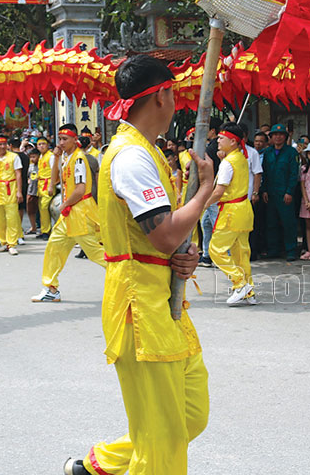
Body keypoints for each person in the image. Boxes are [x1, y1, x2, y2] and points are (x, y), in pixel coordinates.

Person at [64, 54, 213, 475]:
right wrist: (205, 192)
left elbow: (164, 240)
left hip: (161, 300)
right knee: (163, 441)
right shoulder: (131, 157)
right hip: (140, 307)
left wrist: (183, 256)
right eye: (174, 93)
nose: (179, 103)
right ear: (162, 95)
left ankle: (101, 464)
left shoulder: (145, 151)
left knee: (188, 415)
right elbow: (163, 233)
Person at [31, 124, 106, 302]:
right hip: (70, 213)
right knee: (54, 246)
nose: (61, 142)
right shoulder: (66, 157)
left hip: (80, 212)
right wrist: (56, 158)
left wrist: (64, 203)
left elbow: (80, 190)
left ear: (75, 140)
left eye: (65, 139)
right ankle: (51, 288)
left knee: (96, 253)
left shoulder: (80, 159)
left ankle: (128, 280)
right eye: (60, 139)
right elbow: (55, 179)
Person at [204, 122, 257, 306]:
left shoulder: (228, 163)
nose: (218, 140)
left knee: (215, 249)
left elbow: (218, 191)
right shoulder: (240, 158)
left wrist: (203, 204)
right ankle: (248, 289)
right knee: (241, 253)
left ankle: (239, 283)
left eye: (221, 138)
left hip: (231, 212)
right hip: (243, 209)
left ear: (233, 141)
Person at [260, 123, 300, 260]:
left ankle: (291, 250)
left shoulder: (291, 153)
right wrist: (264, 190)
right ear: (270, 137)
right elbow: (264, 172)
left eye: (281, 134)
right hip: (271, 193)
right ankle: (273, 249)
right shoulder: (267, 152)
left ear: (285, 137)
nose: (278, 137)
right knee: (271, 222)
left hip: (285, 193)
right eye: (275, 135)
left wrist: (289, 192)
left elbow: (294, 174)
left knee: (288, 222)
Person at [0, 135, 23, 255]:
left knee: (11, 217)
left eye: (4, 144)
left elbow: (18, 174)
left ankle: (12, 244)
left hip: (9, 188)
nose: (2, 147)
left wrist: (19, 191)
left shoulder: (14, 157)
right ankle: (3, 242)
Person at [197, 117, 223, 266]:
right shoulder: (214, 147)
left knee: (215, 223)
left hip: (213, 189)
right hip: (210, 189)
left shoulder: (212, 148)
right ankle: (207, 255)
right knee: (206, 222)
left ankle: (224, 256)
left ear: (212, 131)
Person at [35, 137, 59, 240]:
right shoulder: (41, 156)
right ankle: (44, 229)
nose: (41, 146)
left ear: (47, 145)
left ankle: (46, 231)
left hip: (48, 183)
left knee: (45, 207)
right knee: (41, 208)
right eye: (39, 144)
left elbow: (55, 171)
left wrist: (51, 185)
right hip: (41, 185)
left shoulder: (51, 156)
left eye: (43, 144)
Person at [26, 149, 41, 234]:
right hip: (31, 190)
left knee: (42, 210)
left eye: (34, 157)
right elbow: (28, 175)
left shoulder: (42, 164)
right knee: (30, 210)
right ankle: (33, 227)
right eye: (31, 157)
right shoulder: (30, 166)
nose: (32, 159)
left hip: (40, 190)